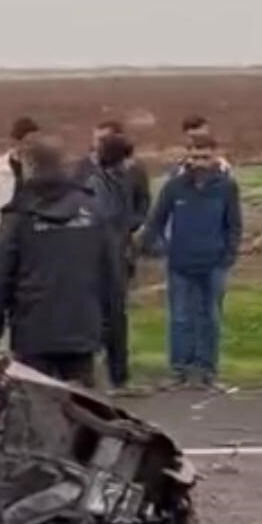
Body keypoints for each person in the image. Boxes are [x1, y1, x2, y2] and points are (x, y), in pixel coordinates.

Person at [0, 137, 121, 387]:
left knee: (37, 409)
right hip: (82, 328)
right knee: (83, 409)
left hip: (33, 331)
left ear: (29, 168)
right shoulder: (92, 210)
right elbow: (112, 281)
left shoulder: (19, 216)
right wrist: (117, 356)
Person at [141, 129, 242, 388]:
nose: (199, 163)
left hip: (214, 264)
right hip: (180, 264)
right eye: (195, 157)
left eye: (205, 157)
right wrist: (163, 249)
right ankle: (179, 371)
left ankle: (207, 371)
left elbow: (234, 225)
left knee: (210, 317)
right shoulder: (174, 187)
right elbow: (155, 222)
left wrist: (228, 255)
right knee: (180, 318)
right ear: (188, 157)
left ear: (214, 158)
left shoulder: (226, 187)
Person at [83, 130, 150, 390]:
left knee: (117, 319)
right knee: (106, 319)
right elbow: (105, 224)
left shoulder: (116, 181)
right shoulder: (97, 186)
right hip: (104, 263)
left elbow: (126, 218)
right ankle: (105, 376)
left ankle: (119, 376)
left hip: (118, 257)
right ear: (120, 159)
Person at [0, 116, 40, 254]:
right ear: (17, 142)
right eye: (28, 142)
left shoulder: (39, 169)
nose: (32, 146)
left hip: (31, 239)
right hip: (2, 237)